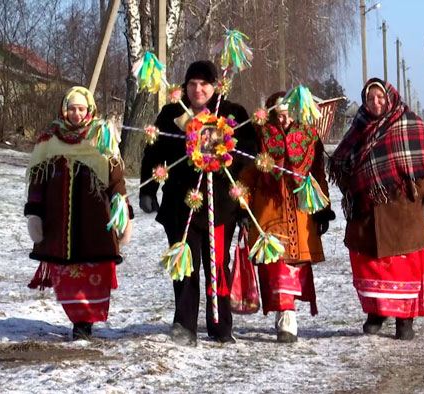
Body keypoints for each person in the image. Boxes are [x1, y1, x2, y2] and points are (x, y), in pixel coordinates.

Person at [329, 78, 424, 340]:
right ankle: (376, 313)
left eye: (380, 97)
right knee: (370, 267)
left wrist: (412, 191)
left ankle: (404, 320)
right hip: (367, 213)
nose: (375, 103)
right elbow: (341, 164)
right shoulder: (358, 129)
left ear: (390, 99)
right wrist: (356, 188)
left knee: (404, 269)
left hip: (403, 214)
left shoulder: (410, 125)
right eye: (370, 98)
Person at [139, 60, 257, 345]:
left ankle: (220, 326)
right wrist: (148, 188)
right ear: (185, 86)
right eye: (192, 84)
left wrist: (224, 155)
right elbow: (154, 153)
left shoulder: (231, 113)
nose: (197, 89)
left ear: (214, 85)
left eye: (204, 84)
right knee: (185, 263)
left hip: (221, 206)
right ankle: (184, 324)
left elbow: (250, 152)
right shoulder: (172, 114)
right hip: (181, 203)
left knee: (217, 264)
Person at [24, 86, 133, 340]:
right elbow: (38, 180)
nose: (76, 114)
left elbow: (116, 178)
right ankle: (76, 319)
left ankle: (86, 321)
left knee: (91, 272)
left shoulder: (101, 136)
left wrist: (123, 212)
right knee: (69, 276)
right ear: (64, 110)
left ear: (89, 110)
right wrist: (34, 214)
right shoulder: (49, 140)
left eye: (81, 109)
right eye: (71, 109)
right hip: (58, 223)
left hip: (95, 221)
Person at [239, 91, 335, 343]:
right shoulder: (259, 135)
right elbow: (248, 173)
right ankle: (285, 319)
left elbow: (318, 174)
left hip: (301, 212)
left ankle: (289, 313)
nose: (283, 121)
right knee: (277, 265)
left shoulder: (309, 136)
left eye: (287, 115)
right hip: (269, 211)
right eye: (278, 116)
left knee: (295, 266)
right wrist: (243, 206)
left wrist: (323, 207)